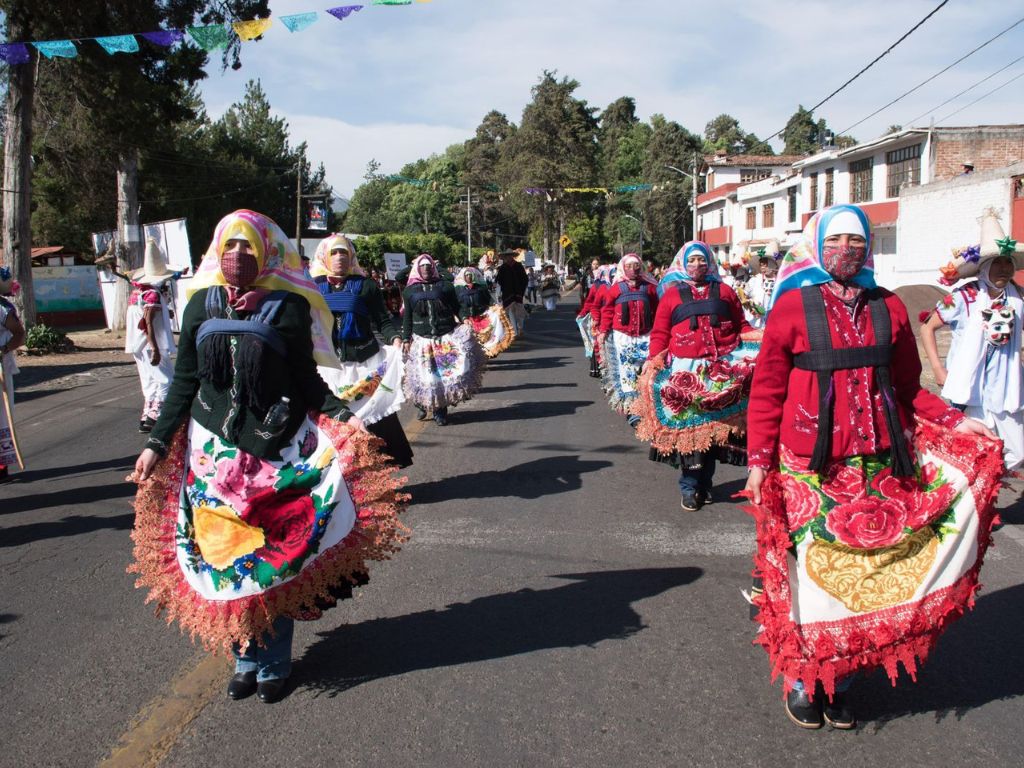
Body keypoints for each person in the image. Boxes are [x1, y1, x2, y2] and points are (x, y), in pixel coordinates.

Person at [128, 210, 407, 704]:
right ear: (217, 251)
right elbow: (185, 383)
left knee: (269, 558)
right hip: (212, 460)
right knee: (224, 557)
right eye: (229, 247)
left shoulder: (288, 308)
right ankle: (244, 657)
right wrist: (155, 444)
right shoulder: (199, 305)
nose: (238, 257)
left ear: (265, 253)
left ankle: (274, 661)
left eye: (247, 247)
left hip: (275, 454)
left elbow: (306, 381)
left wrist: (346, 417)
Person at [743, 203, 1001, 731]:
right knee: (814, 579)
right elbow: (768, 391)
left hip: (881, 465)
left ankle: (839, 677)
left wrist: (957, 420)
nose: (847, 250)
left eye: (856, 241)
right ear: (817, 245)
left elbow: (907, 390)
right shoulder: (792, 308)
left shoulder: (890, 308)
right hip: (806, 469)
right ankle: (803, 679)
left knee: (865, 579)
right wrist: (757, 461)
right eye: (835, 240)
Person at [632, 242, 757, 511]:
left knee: (712, 433)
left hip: (722, 372)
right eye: (693, 261)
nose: (698, 265)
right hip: (685, 373)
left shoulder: (725, 291)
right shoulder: (672, 295)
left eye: (702, 260)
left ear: (709, 263)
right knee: (691, 431)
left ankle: (706, 485)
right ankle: (689, 487)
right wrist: (653, 360)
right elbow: (661, 333)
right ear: (684, 264)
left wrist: (764, 340)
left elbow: (742, 325)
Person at [921, 209, 1024, 470]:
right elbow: (927, 328)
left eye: (1007, 262)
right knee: (970, 454)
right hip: (970, 390)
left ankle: (991, 487)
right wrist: (938, 368)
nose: (1003, 268)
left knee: (1016, 452)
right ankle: (978, 505)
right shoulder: (962, 297)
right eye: (997, 263)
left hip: (1006, 389)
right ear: (984, 267)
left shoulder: (1019, 297)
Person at [310, 234, 413, 468]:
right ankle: (342, 478)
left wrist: (395, 338)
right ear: (324, 257)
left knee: (377, 419)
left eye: (344, 252)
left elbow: (382, 320)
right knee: (332, 422)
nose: (339, 258)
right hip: (328, 366)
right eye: (334, 253)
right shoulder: (313, 288)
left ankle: (383, 476)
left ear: (351, 257)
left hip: (365, 364)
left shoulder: (366, 286)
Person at [401, 254, 486, 426]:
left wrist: (464, 319)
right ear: (417, 269)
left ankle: (440, 411)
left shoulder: (445, 287)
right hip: (422, 340)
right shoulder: (410, 290)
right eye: (422, 266)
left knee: (441, 378)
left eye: (428, 265)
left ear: (433, 267)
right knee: (423, 378)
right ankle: (422, 404)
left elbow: (457, 307)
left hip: (444, 338)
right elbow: (407, 317)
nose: (426, 268)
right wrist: (405, 338)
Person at [596, 254, 658, 425]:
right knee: (627, 373)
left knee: (647, 371)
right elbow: (607, 311)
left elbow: (659, 310)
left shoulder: (650, 288)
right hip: (623, 338)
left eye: (636, 265)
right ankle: (632, 410)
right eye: (629, 266)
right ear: (623, 268)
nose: (633, 269)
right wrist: (603, 331)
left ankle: (648, 406)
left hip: (646, 336)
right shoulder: (616, 289)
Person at [125, 238, 178, 433]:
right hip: (151, 344)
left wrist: (166, 313)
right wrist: (155, 347)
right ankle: (158, 417)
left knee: (149, 381)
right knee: (165, 379)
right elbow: (147, 321)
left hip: (138, 346)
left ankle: (148, 415)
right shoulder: (152, 295)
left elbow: (145, 316)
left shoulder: (138, 293)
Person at [0, 266, 26, 482]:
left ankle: (1, 466)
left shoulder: (3, 308)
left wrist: (4, 349)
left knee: (0, 416)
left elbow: (19, 335)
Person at [456, 266, 514, 358]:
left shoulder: (480, 288)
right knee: (473, 340)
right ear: (464, 277)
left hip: (482, 316)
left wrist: (495, 306)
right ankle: (477, 357)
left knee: (487, 336)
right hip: (469, 319)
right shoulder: (459, 291)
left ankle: (490, 351)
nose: (469, 277)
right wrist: (463, 317)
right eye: (466, 275)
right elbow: (458, 306)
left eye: (470, 275)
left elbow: (489, 300)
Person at [740, 240, 781, 330]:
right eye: (761, 265)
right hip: (755, 323)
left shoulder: (781, 281)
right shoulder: (755, 280)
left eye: (766, 265)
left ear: (774, 265)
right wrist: (751, 308)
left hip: (775, 323)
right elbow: (743, 295)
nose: (763, 267)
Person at [496, 249, 529, 336]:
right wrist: (498, 294)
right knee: (510, 313)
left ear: (512, 256)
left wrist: (524, 291)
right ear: (505, 257)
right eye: (507, 256)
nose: (508, 257)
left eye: (510, 255)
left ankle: (520, 327)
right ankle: (514, 331)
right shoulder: (503, 268)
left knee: (519, 312)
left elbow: (525, 279)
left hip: (518, 293)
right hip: (507, 293)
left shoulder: (518, 266)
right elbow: (499, 281)